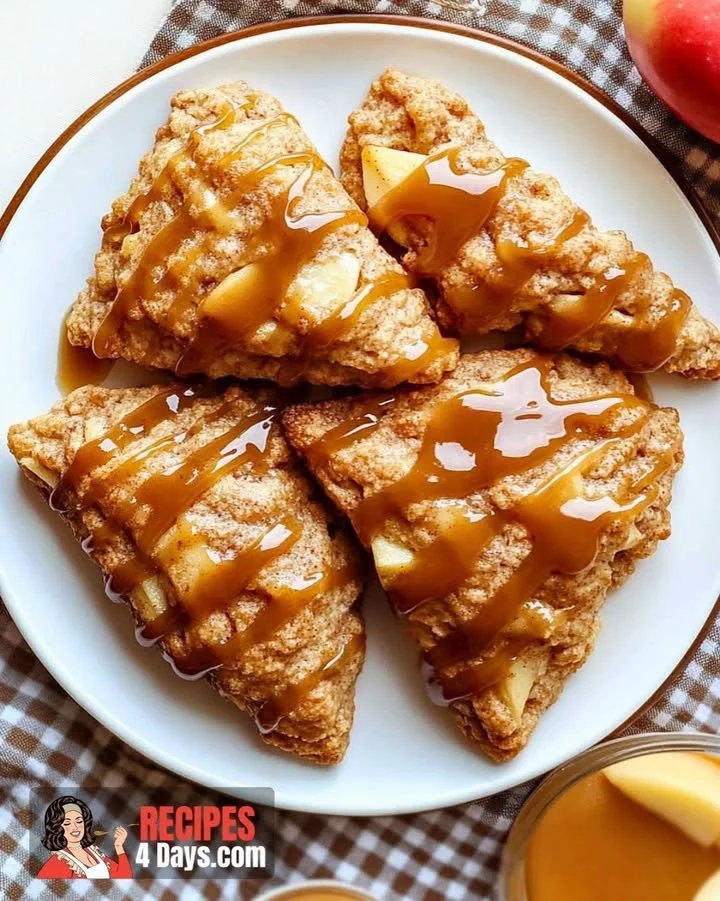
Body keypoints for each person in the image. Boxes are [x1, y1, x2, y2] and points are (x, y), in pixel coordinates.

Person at [37, 795, 132, 879]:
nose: (75, 827)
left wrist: (118, 846)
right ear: (56, 828)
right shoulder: (58, 862)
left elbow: (124, 878)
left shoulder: (93, 851)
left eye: (79, 821)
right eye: (67, 823)